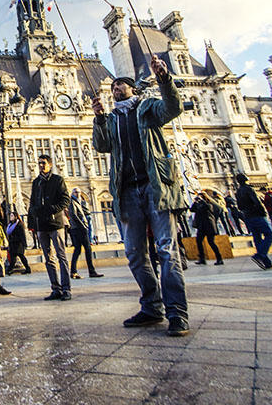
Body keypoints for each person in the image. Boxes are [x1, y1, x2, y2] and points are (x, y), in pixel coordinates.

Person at [92, 57, 189, 336]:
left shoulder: (147, 108)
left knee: (167, 250)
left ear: (132, 89)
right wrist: (99, 119)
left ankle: (177, 313)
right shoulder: (111, 119)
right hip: (127, 191)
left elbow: (173, 108)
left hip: (155, 185)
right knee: (135, 253)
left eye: (120, 83)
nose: (115, 88)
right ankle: (152, 306)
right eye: (112, 86)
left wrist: (164, 79)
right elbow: (101, 146)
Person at [28, 154, 73, 301]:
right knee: (48, 258)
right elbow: (32, 201)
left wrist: (53, 209)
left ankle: (66, 289)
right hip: (42, 225)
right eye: (39, 163)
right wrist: (34, 213)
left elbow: (66, 199)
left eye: (43, 163)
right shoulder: (36, 182)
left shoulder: (57, 180)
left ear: (50, 165)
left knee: (61, 256)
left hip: (55, 223)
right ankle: (56, 288)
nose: (41, 165)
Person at [235, 174, 272, 270]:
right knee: (269, 235)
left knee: (257, 238)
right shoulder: (249, 189)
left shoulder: (238, 192)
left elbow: (239, 206)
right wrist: (263, 212)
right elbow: (257, 202)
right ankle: (260, 255)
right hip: (257, 215)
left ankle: (267, 263)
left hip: (247, 216)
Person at [68, 187, 103, 278]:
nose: (78, 194)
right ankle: (91, 271)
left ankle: (73, 271)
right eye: (76, 192)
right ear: (72, 193)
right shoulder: (72, 202)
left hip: (77, 228)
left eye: (79, 192)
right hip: (79, 229)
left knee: (78, 250)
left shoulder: (77, 202)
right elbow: (74, 215)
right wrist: (83, 225)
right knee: (87, 249)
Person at [191, 192, 223, 265]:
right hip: (201, 226)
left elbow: (206, 207)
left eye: (200, 197)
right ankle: (202, 258)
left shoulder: (209, 204)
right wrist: (195, 202)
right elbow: (192, 209)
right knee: (199, 241)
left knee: (211, 242)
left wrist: (202, 200)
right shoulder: (198, 205)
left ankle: (219, 258)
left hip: (209, 226)